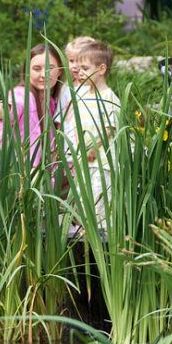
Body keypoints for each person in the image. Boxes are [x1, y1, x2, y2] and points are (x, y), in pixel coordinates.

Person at [0, 44, 64, 214]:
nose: (43, 75)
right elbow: (11, 107)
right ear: (26, 71)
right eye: (36, 69)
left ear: (60, 71)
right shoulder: (23, 94)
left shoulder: (51, 102)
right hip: (10, 180)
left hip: (35, 182)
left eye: (50, 68)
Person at [62, 40, 121, 225]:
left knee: (99, 205)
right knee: (82, 205)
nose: (79, 72)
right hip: (83, 162)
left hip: (101, 163)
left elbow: (110, 128)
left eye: (85, 68)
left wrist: (93, 147)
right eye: (78, 68)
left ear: (101, 69)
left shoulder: (108, 96)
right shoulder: (83, 94)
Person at [55, 35, 98, 139]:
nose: (74, 65)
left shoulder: (95, 88)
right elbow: (60, 120)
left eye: (79, 61)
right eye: (71, 61)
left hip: (91, 143)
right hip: (69, 144)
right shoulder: (66, 88)